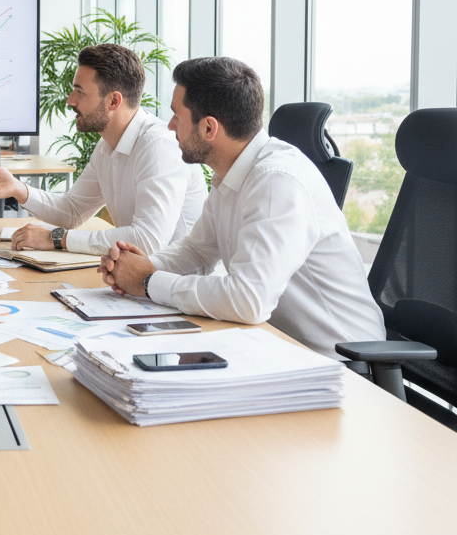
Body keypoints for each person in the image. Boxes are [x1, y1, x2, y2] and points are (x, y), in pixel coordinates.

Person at [100, 56, 386, 359]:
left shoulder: (275, 182)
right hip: (275, 344)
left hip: (342, 362)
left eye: (176, 116)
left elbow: (249, 300)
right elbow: (198, 251)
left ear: (209, 128)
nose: (169, 126)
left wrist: (147, 281)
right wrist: (138, 267)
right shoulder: (232, 173)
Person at [0, 44, 207, 255]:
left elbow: (148, 240)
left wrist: (57, 238)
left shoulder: (158, 146)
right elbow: (73, 211)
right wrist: (17, 189)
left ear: (113, 101)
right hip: (145, 282)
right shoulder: (107, 145)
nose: (70, 100)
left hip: (178, 289)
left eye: (80, 91)